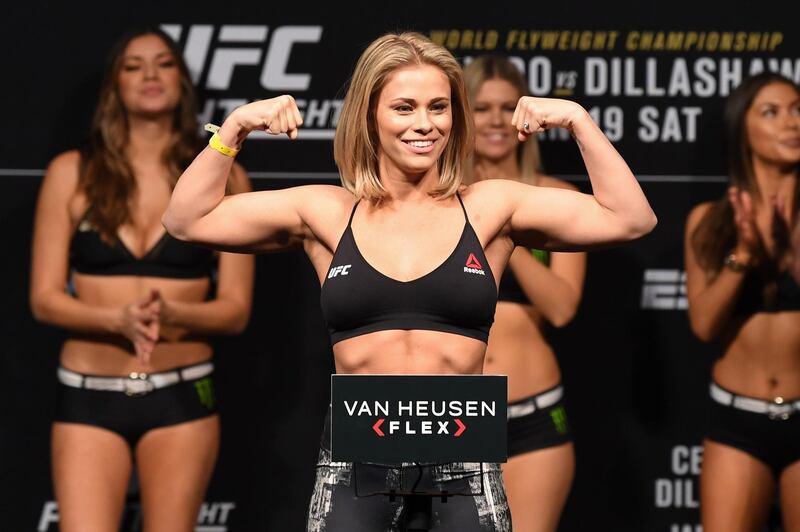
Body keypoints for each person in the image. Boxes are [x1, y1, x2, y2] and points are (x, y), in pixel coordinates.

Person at [162, 31, 655, 531]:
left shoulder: (490, 207)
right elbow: (186, 220)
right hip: (356, 462)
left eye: (438, 107)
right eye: (404, 108)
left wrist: (578, 120)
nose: (425, 124)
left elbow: (630, 218)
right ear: (369, 116)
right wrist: (234, 129)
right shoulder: (326, 212)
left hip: (463, 460)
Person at [29, 28, 254, 532]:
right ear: (115, 84)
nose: (150, 75)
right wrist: (116, 318)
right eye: (134, 66)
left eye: (163, 63)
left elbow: (236, 309)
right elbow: (43, 299)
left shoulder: (224, 176)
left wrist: (174, 314)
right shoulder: (71, 171)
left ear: (182, 80)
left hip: (182, 393)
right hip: (87, 392)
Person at [464, 55, 585, 531]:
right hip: (456, 415)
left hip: (534, 416)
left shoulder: (556, 200)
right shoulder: (438, 198)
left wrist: (503, 225)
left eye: (507, 106)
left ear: (526, 118)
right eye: (481, 107)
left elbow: (562, 307)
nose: (495, 119)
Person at [684, 72, 800, 532]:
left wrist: (789, 251)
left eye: (797, 110)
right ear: (742, 128)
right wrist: (745, 257)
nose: (791, 123)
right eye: (771, 112)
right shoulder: (709, 220)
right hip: (738, 419)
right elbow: (704, 325)